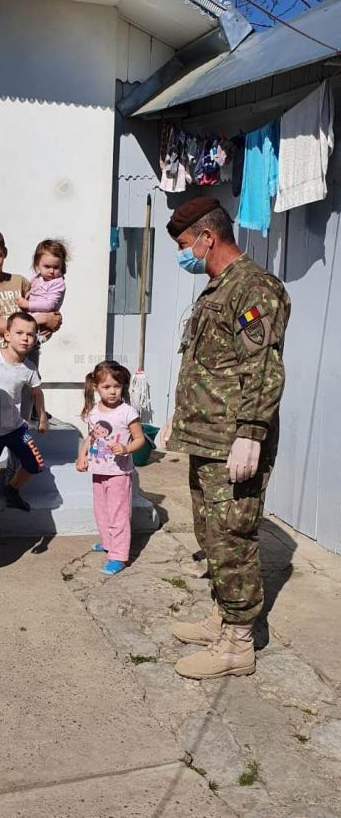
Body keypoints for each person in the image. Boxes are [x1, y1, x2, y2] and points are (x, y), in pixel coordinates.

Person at [164, 197, 290, 680]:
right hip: (205, 436)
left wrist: (252, 434)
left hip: (233, 441)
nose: (184, 255)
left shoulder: (255, 288)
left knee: (232, 537)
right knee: (210, 534)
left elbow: (263, 366)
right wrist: (180, 416)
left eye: (184, 245)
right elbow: (206, 364)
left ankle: (238, 644)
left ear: (207, 238)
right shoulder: (218, 288)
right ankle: (222, 615)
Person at [0, 312, 49, 547]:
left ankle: (12, 488)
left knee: (36, 464)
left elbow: (37, 391)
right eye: (19, 333)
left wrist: (41, 417)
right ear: (7, 335)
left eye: (30, 334)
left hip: (16, 427)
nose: (25, 338)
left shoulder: (29, 368)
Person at [76, 361, 145, 576]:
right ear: (96, 387)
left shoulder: (127, 412)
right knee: (102, 511)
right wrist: (81, 456)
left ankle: (119, 555)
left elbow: (140, 439)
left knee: (118, 514)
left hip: (119, 473)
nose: (113, 391)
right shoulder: (94, 412)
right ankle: (108, 542)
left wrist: (125, 448)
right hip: (98, 472)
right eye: (107, 387)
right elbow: (90, 437)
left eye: (117, 386)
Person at [0, 228, 62, 351]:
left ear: (5, 253)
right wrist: (44, 319)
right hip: (1, 356)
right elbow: (2, 327)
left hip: (29, 354)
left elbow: (44, 302)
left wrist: (56, 316)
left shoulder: (19, 281)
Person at [16, 239, 68, 344]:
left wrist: (28, 304)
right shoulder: (37, 278)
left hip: (43, 324)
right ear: (37, 264)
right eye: (47, 267)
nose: (51, 271)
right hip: (34, 317)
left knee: (31, 343)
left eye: (56, 267)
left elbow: (50, 304)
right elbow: (34, 291)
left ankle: (36, 342)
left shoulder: (58, 283)